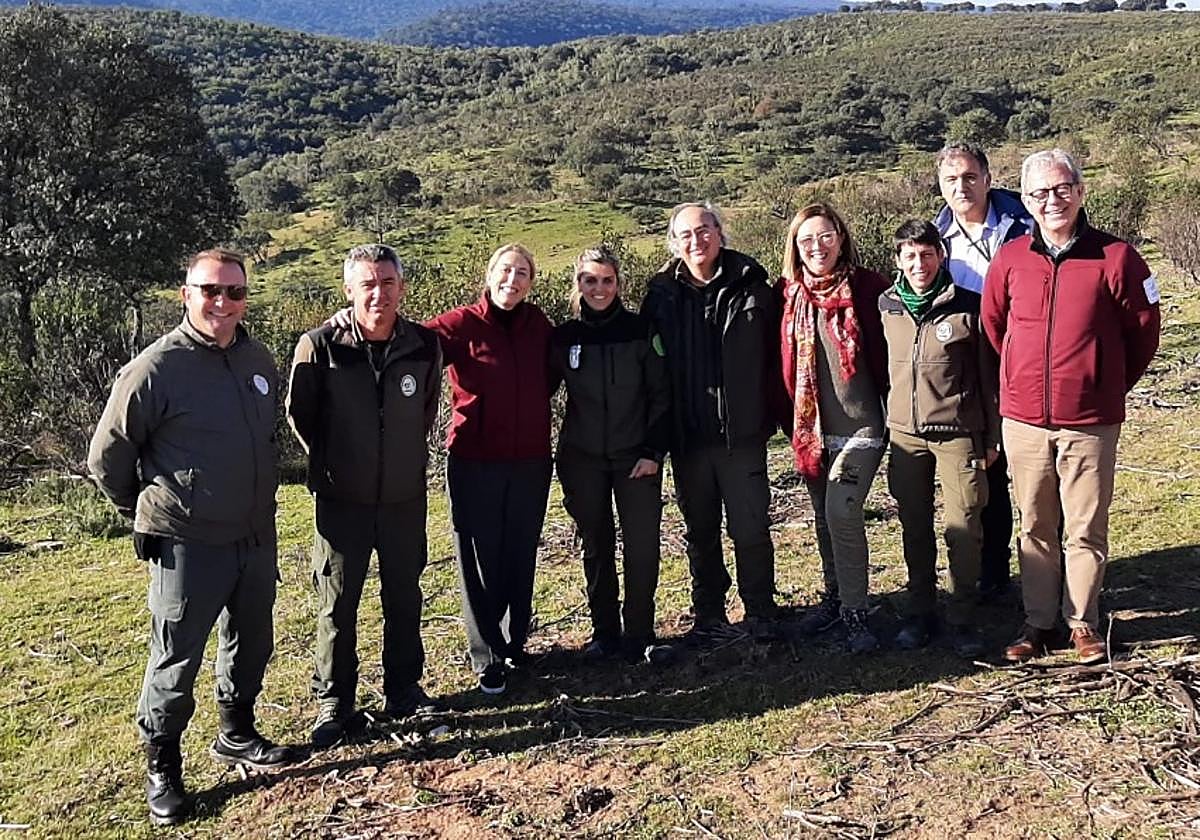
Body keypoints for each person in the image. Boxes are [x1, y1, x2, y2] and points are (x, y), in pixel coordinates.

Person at [88, 249, 294, 826]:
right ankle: (163, 768)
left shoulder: (257, 358)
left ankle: (236, 732)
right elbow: (106, 459)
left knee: (251, 641)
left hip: (254, 534)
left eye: (234, 292)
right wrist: (149, 510)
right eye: (210, 290)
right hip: (186, 541)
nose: (222, 302)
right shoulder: (155, 369)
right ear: (187, 295)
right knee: (176, 657)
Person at [982, 148, 1160, 664]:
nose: (1053, 200)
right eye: (1040, 193)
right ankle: (1038, 623)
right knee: (1035, 524)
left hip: (1090, 420)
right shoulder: (1011, 259)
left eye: (1062, 189)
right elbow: (995, 327)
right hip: (1024, 420)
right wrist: (1018, 378)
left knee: (1085, 526)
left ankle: (1083, 623)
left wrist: (1105, 383)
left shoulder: (1118, 257)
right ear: (1026, 201)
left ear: (1081, 192)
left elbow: (1144, 331)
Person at [287, 244, 443, 749]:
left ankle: (404, 689)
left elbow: (423, 412)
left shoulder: (423, 345)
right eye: (368, 284)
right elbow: (301, 416)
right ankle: (334, 700)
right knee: (337, 602)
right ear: (349, 290)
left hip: (403, 497)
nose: (379, 294)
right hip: (342, 500)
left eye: (387, 283)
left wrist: (396, 458)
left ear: (401, 287)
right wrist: (339, 461)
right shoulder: (320, 345)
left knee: (405, 596)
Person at [641, 202, 784, 644]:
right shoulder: (660, 295)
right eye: (686, 234)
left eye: (704, 230)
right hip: (687, 437)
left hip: (742, 435)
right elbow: (650, 368)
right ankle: (708, 613)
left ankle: (760, 609)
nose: (696, 240)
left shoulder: (753, 286)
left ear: (720, 233)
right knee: (700, 531)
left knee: (750, 527)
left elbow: (777, 356)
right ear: (674, 243)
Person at [427, 244, 555, 695]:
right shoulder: (461, 323)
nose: (512, 280)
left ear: (531, 283)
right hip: (475, 460)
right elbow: (409, 343)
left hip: (531, 460)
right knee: (480, 559)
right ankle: (487, 655)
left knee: (520, 553)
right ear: (489, 274)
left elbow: (552, 375)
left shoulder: (538, 325)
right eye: (505, 270)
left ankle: (514, 643)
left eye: (522, 273)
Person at [878, 220, 1000, 658]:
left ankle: (962, 617)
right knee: (914, 527)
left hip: (959, 433)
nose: (919, 264)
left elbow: (988, 377)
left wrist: (991, 437)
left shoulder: (967, 306)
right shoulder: (886, 306)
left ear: (941, 256)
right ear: (898, 259)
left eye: (927, 255)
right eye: (910, 256)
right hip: (905, 435)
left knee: (964, 529)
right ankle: (920, 612)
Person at [551, 246, 673, 665]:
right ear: (578, 284)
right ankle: (604, 634)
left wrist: (653, 451)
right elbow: (536, 390)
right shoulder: (564, 337)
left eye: (607, 280)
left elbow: (662, 394)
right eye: (590, 280)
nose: (599, 288)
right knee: (596, 546)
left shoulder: (641, 331)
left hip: (636, 457)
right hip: (582, 459)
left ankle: (639, 634)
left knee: (642, 547)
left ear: (618, 284)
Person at [779, 203, 889, 653]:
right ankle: (834, 596)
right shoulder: (787, 295)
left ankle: (856, 613)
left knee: (842, 510)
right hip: (813, 430)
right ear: (795, 246)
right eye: (807, 239)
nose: (817, 246)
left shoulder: (869, 288)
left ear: (841, 238)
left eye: (826, 236)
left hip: (863, 428)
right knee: (824, 517)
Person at [933, 142, 1033, 600]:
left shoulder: (1024, 224)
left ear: (988, 179)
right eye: (951, 180)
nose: (962, 187)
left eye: (970, 177)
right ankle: (995, 573)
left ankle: (1050, 569)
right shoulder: (936, 241)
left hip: (1027, 361)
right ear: (940, 186)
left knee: (1038, 473)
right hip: (971, 371)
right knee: (988, 474)